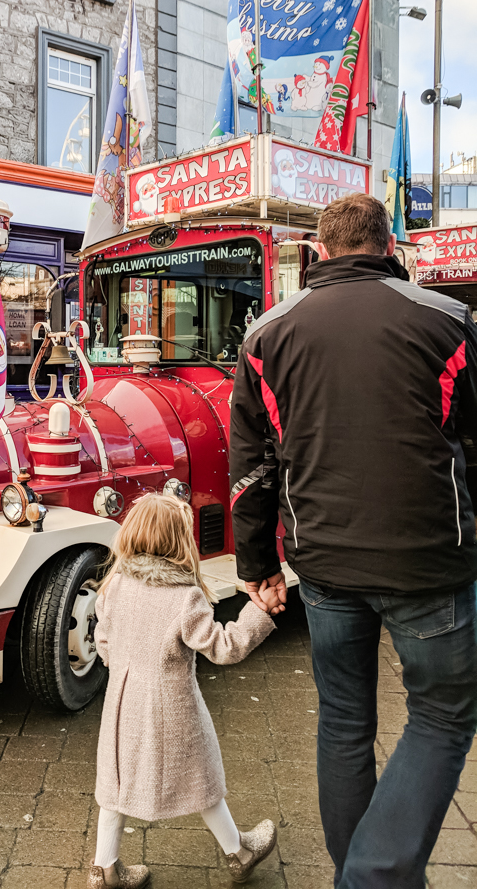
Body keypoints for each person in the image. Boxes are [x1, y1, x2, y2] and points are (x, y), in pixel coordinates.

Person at [229, 193, 477, 888]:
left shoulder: (266, 334)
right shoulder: (448, 320)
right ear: (388, 242)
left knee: (343, 720)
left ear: (320, 251)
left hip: (326, 568)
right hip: (432, 561)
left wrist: (258, 565)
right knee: (444, 712)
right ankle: (372, 875)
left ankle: (364, 870)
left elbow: (251, 464)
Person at [89, 493, 277, 889]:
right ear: (179, 541)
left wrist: (125, 669)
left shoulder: (115, 585)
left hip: (121, 706)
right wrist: (257, 613)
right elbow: (223, 648)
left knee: (115, 781)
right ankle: (238, 852)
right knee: (201, 777)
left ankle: (104, 869)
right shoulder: (183, 597)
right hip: (171, 707)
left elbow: (103, 641)